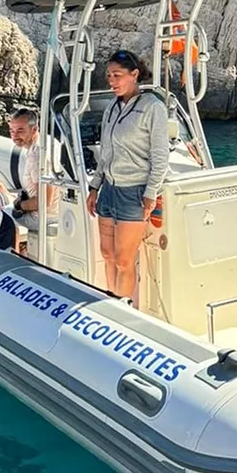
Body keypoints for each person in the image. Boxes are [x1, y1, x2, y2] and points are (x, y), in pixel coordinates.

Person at [85, 50, 169, 299]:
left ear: (134, 75)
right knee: (108, 254)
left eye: (117, 75)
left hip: (134, 192)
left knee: (124, 260)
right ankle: (111, 301)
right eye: (109, 75)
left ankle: (124, 310)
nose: (112, 81)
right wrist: (94, 187)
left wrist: (150, 193)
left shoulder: (153, 108)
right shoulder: (112, 106)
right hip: (108, 190)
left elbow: (160, 156)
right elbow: (106, 151)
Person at [7, 108, 58, 233]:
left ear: (34, 129)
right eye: (12, 131)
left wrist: (19, 205)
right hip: (57, 212)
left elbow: (44, 201)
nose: (15, 136)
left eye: (20, 130)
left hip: (42, 217)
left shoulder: (37, 155)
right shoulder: (49, 141)